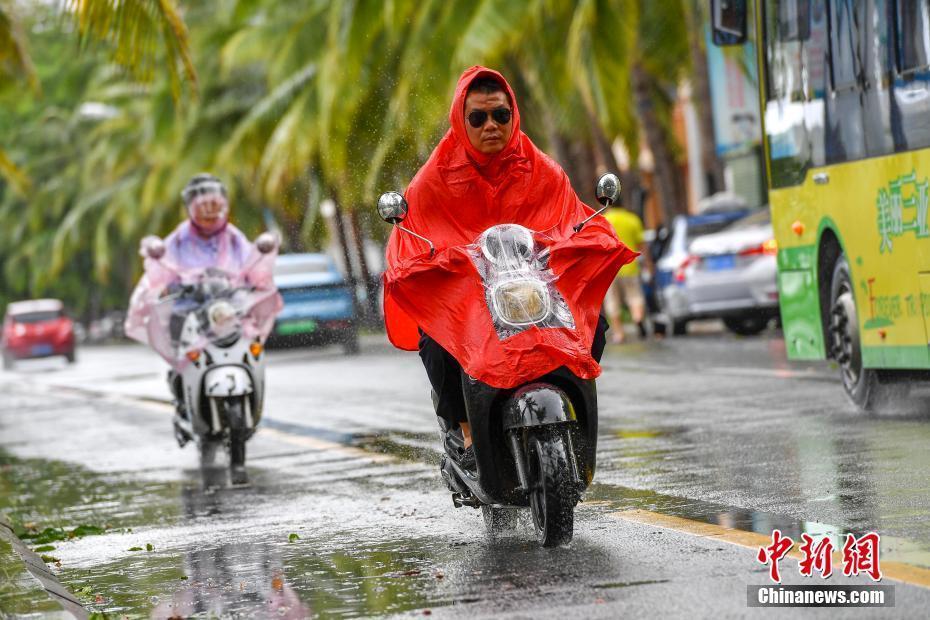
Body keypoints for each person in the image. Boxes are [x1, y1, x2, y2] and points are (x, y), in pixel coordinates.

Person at [383, 67, 618, 469]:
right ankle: (465, 430)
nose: (491, 125)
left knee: (595, 325)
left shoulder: (542, 169)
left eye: (500, 115)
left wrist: (586, 244)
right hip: (468, 297)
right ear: (461, 119)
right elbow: (411, 241)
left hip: (529, 286)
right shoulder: (431, 181)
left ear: (513, 115)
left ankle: (572, 414)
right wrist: (443, 267)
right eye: (478, 117)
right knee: (435, 343)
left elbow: (567, 222)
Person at [604, 201, 649, 343]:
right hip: (630, 265)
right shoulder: (632, 219)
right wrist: (647, 264)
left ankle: (619, 334)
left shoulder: (604, 220)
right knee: (635, 296)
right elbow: (641, 244)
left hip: (610, 268)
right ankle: (637, 318)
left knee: (612, 300)